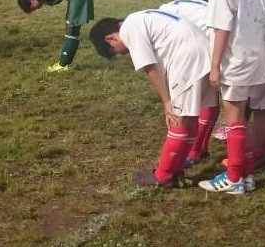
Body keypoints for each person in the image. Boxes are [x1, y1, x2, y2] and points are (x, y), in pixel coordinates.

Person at [89, 10, 214, 188]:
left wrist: (167, 101)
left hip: (188, 58)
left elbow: (149, 66)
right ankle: (176, 168)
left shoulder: (129, 29)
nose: (123, 54)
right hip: (205, 51)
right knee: (190, 118)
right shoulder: (141, 17)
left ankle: (163, 176)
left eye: (116, 52)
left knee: (178, 118)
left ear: (110, 39)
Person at [196, 0, 265, 195]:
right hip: (255, 55)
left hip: (237, 59)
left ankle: (235, 177)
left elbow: (221, 27)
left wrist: (215, 66)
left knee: (234, 119)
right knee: (240, 118)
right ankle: (244, 172)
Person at [18, 0, 95, 72]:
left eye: (33, 8)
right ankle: (64, 63)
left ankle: (63, 64)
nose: (37, 9)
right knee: (72, 28)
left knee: (71, 30)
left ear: (31, 0)